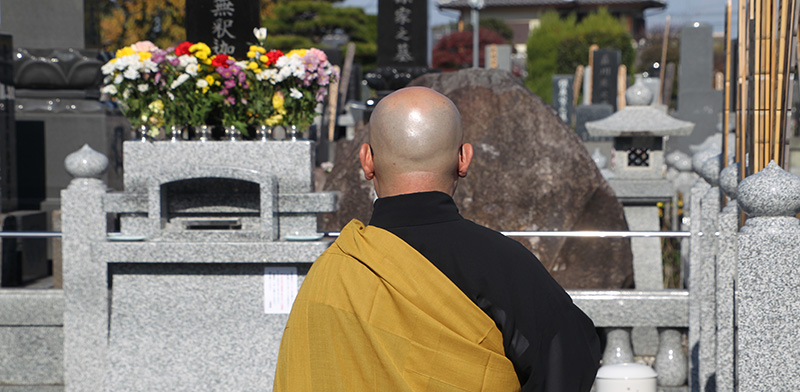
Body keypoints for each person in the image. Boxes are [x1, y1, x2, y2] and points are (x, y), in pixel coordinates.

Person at [274, 86, 601, 391]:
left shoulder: (332, 274)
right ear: (464, 159)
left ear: (367, 160)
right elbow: (570, 359)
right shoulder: (504, 263)